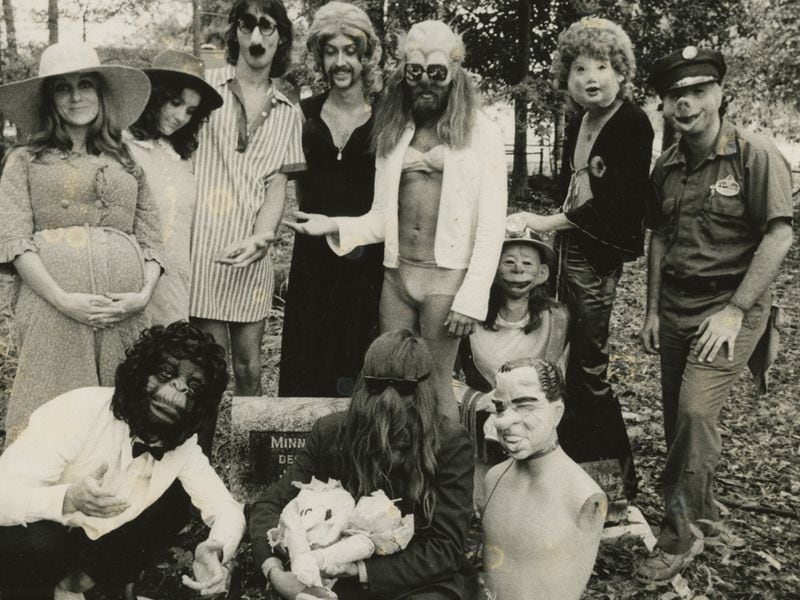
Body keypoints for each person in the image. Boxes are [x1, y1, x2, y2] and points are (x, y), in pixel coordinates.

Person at [286, 20, 507, 420]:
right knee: (391, 381)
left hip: (445, 279)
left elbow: (492, 226)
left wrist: (473, 297)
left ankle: (447, 480)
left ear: (455, 72)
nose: (426, 82)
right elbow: (382, 216)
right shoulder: (396, 131)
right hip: (397, 278)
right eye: (415, 72)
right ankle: (397, 476)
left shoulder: (481, 133)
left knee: (438, 386)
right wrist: (333, 225)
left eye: (437, 73)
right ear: (404, 73)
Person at [637, 46, 793, 581]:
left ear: (720, 94)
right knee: (679, 421)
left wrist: (734, 310)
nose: (687, 104)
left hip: (732, 305)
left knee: (695, 414)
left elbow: (779, 234)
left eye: (699, 91)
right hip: (678, 303)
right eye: (676, 95)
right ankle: (702, 512)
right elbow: (659, 235)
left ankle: (679, 538)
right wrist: (653, 308)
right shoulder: (669, 163)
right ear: (665, 104)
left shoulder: (755, 154)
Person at [509, 18, 652, 497]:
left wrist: (547, 223)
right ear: (566, 78)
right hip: (569, 250)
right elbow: (577, 192)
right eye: (579, 68)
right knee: (560, 356)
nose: (591, 77)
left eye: (603, 66)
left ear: (622, 72)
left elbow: (617, 204)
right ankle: (563, 463)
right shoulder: (580, 120)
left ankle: (614, 482)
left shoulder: (632, 123)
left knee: (589, 367)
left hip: (596, 258)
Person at [0, 322, 245, 600]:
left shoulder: (183, 446)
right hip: (32, 544)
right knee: (39, 541)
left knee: (175, 500)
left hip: (91, 546)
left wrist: (217, 546)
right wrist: (65, 499)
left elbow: (226, 507)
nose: (177, 390)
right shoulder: (78, 410)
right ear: (139, 373)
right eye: (166, 374)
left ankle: (75, 588)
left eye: (193, 387)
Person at [0, 41, 164, 444]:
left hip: (120, 313)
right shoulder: (25, 160)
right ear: (49, 100)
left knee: (117, 416)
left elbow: (151, 237)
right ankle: (46, 504)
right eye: (62, 87)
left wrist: (142, 296)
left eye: (85, 84)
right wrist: (63, 299)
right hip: (52, 310)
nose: (76, 97)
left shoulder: (127, 160)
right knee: (55, 414)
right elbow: (14, 239)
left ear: (100, 93)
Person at [250, 330, 475, 599]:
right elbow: (270, 504)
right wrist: (274, 571)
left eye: (402, 389)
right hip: (333, 578)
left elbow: (445, 547)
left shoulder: (449, 442)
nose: (388, 403)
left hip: (418, 581)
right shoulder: (331, 432)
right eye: (379, 386)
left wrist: (360, 570)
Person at [190, 0, 304, 396]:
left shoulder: (290, 112)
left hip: (251, 255)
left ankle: (251, 457)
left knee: (249, 368)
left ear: (281, 38)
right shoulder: (204, 87)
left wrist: (262, 237)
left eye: (267, 27)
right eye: (247, 25)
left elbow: (277, 186)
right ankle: (198, 456)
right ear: (235, 32)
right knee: (204, 370)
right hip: (201, 253)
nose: (256, 37)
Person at [279, 2, 384, 398]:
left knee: (360, 363)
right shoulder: (300, 114)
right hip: (313, 259)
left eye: (350, 51)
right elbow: (279, 178)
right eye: (330, 51)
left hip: (368, 260)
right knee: (309, 362)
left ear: (366, 54)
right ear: (319, 56)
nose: (340, 62)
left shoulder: (386, 115)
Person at [482, 358, 607, 600]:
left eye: (524, 406)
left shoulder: (583, 497)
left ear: (557, 411)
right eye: (500, 408)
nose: (504, 422)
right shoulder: (493, 477)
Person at [128, 49, 224, 326]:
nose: (181, 116)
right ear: (155, 97)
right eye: (175, 103)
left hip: (175, 278)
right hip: (134, 276)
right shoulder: (125, 147)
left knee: (169, 359)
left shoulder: (182, 155)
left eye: (191, 111)